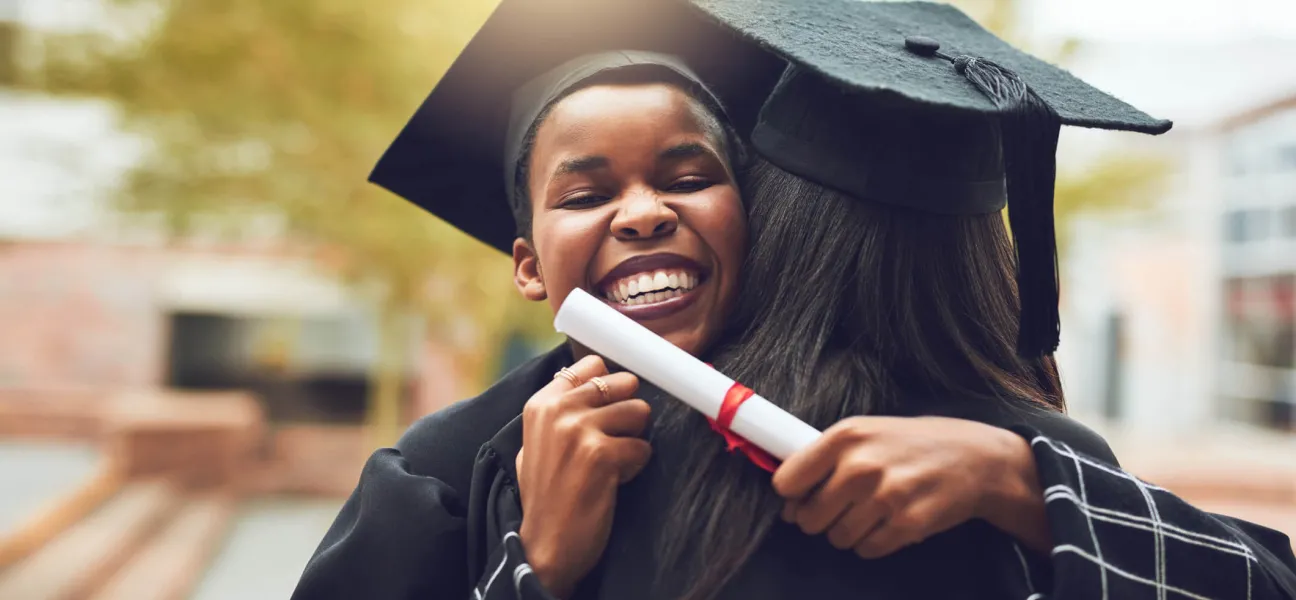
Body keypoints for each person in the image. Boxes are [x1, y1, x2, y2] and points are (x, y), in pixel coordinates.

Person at [644, 1, 1296, 599]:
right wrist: (1019, 479)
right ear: (987, 249)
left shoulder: (636, 415)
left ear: (767, 210)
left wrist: (541, 562)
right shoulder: (1044, 468)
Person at [291, 0, 784, 597]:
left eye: (687, 181)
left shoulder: (851, 426)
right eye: (583, 197)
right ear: (530, 270)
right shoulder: (439, 473)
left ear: (749, 219)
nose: (645, 214)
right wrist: (536, 563)